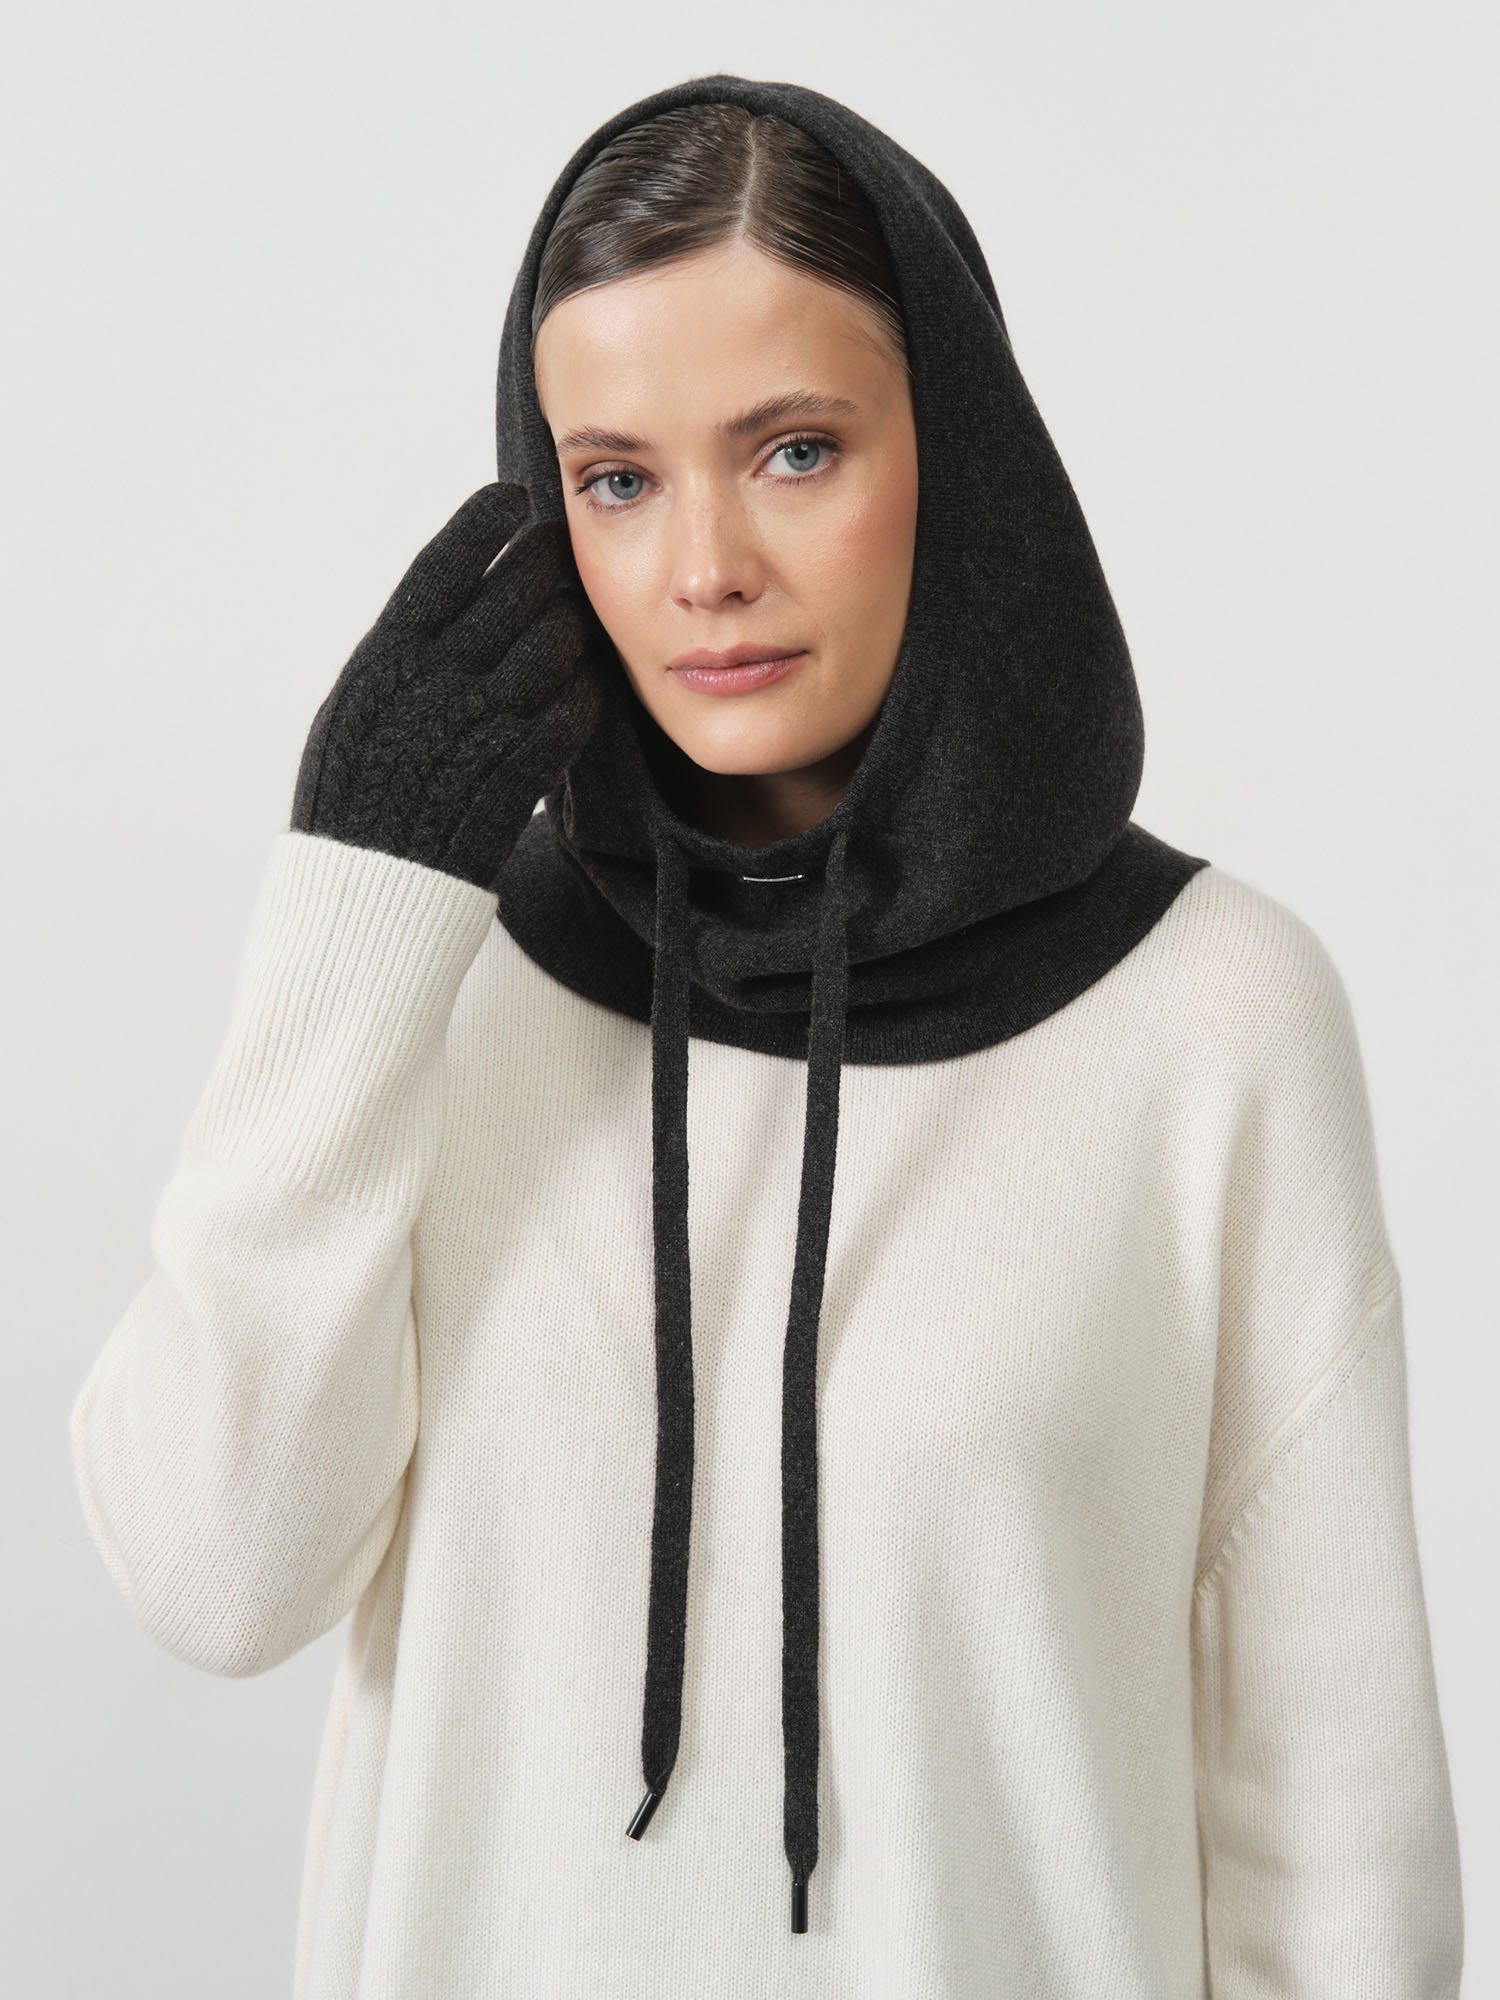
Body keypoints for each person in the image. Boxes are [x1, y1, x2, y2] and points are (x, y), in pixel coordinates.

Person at [68, 73, 1464, 1997]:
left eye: (795, 451)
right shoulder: (437, 980)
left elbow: (1335, 1842)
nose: (703, 565)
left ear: (952, 455)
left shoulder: (1215, 1019)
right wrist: (357, 904)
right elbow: (214, 1579)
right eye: (617, 479)